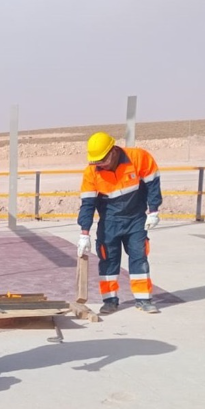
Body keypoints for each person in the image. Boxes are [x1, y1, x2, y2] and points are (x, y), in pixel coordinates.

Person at [77, 132, 162, 315]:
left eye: (102, 160)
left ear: (114, 151)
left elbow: (153, 184)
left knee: (139, 257)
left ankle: (143, 299)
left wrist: (154, 210)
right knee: (108, 260)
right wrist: (84, 233)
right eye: (96, 161)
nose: (99, 164)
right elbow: (88, 204)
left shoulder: (138, 158)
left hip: (136, 220)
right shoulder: (91, 172)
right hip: (109, 223)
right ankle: (109, 301)